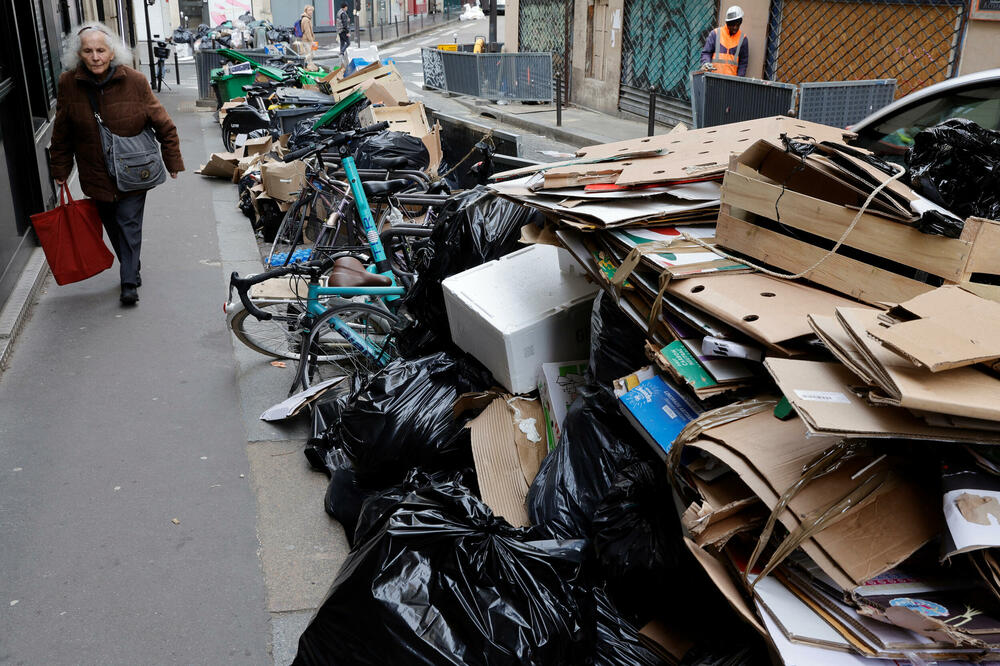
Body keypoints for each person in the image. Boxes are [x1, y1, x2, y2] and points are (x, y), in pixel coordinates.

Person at [49, 22, 184, 306]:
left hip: (134, 169)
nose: (95, 57)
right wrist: (60, 170)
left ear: (113, 53)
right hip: (95, 172)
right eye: (88, 51)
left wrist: (173, 160)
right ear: (79, 55)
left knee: (128, 222)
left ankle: (128, 283)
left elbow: (164, 124)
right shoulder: (68, 84)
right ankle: (131, 266)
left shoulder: (135, 81)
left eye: (101, 50)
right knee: (112, 224)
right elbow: (61, 132)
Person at [700, 6, 749, 78]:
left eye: (737, 24)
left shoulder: (743, 39)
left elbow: (743, 63)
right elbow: (706, 53)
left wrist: (739, 80)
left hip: (731, 82)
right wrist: (706, 63)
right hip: (713, 78)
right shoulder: (715, 34)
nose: (735, 28)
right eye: (732, 25)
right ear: (727, 23)